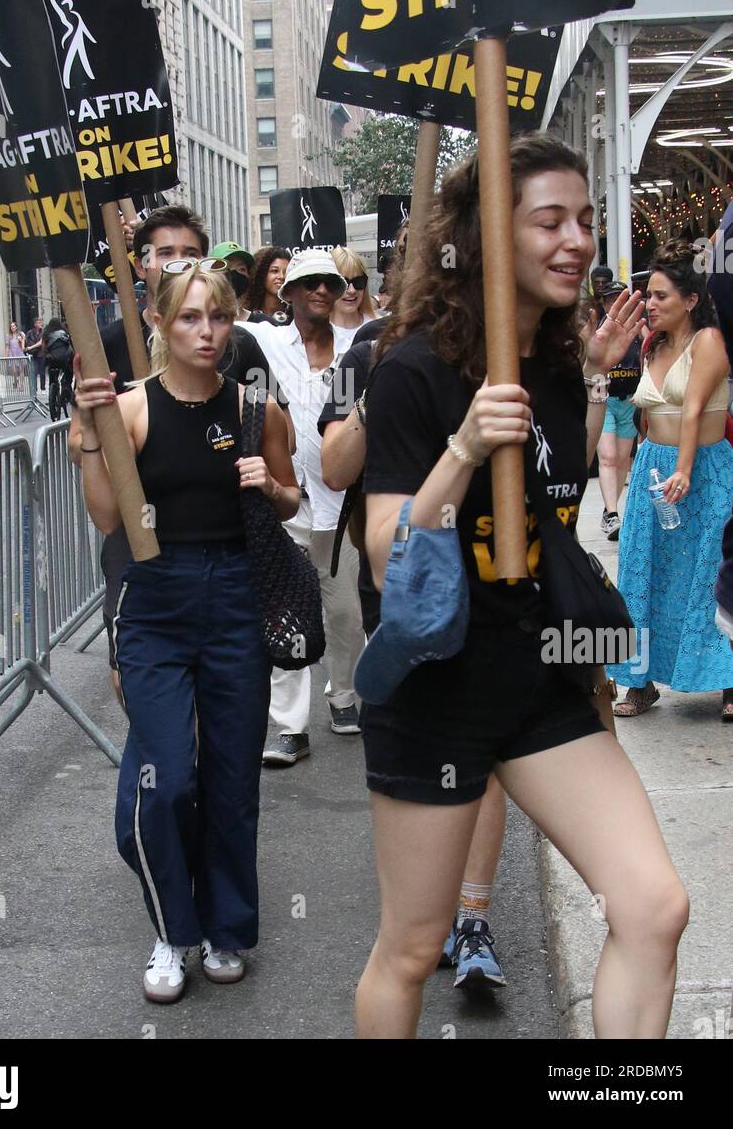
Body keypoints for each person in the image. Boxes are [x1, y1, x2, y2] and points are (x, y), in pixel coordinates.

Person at [356, 132, 688, 1040]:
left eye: (584, 219)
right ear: (489, 238)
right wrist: (463, 448)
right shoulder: (413, 371)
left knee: (654, 908)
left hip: (540, 672)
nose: (576, 239)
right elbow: (389, 555)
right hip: (438, 692)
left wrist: (579, 384)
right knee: (414, 950)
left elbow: (558, 507)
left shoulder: (548, 356)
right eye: (550, 221)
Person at [74, 258, 299, 1003]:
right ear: (160, 325)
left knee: (233, 783)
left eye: (220, 317)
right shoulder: (133, 409)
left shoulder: (252, 407)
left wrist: (270, 487)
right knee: (165, 781)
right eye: (191, 318)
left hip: (237, 596)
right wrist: (85, 437)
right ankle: (175, 931)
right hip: (157, 603)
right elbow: (108, 518)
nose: (207, 333)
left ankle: (229, 929)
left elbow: (293, 498)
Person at [319, 334, 509, 989]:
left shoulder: (500, 340)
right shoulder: (372, 356)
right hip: (404, 591)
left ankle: (474, 917)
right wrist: (375, 397)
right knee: (426, 757)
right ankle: (418, 920)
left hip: (491, 584)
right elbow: (335, 468)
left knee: (484, 761)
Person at [69, 204, 289, 709]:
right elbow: (87, 464)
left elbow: (281, 442)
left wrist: (260, 475)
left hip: (233, 571)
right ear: (141, 262)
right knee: (156, 727)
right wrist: (104, 430)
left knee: (226, 740)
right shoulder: (104, 349)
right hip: (141, 554)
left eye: (191, 253)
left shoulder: (243, 352)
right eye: (165, 254)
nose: (204, 332)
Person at [238, 250, 366, 764]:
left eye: (331, 284)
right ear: (286, 291)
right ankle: (290, 727)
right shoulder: (264, 341)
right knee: (285, 612)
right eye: (309, 282)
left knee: (344, 612)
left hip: (342, 504)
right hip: (283, 503)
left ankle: (343, 694)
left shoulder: (356, 350)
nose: (321, 292)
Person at [609, 240, 733, 721]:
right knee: (642, 575)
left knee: (708, 577)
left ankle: (726, 679)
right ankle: (638, 681)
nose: (651, 304)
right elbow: (648, 414)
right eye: (649, 295)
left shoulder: (710, 342)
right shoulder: (652, 344)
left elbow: (695, 410)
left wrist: (683, 468)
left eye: (661, 295)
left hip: (704, 471)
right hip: (652, 472)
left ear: (691, 300)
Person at [595, 280, 641, 541]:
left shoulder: (639, 327)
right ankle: (612, 513)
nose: (614, 304)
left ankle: (608, 508)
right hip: (605, 399)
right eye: (610, 300)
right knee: (609, 456)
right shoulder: (598, 329)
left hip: (630, 401)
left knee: (623, 459)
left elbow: (648, 357)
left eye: (619, 298)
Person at [331, 247, 377, 332]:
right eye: (344, 282)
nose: (352, 290)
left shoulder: (380, 329)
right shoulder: (314, 332)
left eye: (358, 282)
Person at [245, 246, 291, 323]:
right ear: (261, 274)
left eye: (286, 272)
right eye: (275, 271)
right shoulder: (246, 315)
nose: (281, 276)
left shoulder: (298, 314)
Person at [211, 241, 256, 317]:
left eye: (241, 269)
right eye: (226, 268)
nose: (233, 274)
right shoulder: (200, 322)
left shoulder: (261, 323)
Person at [43, 317, 74, 420]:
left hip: (53, 358)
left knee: (52, 373)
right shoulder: (64, 332)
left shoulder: (47, 333)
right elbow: (70, 345)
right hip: (66, 357)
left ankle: (53, 387)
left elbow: (44, 348)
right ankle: (67, 386)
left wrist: (46, 356)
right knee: (68, 371)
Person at [25, 317, 47, 396]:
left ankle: (43, 388)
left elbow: (41, 342)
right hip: (33, 355)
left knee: (42, 372)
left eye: (41, 322)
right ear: (35, 324)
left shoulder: (44, 332)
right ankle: (34, 388)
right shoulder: (30, 332)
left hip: (41, 354)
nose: (40, 324)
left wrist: (31, 347)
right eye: (38, 322)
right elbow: (25, 340)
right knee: (34, 372)